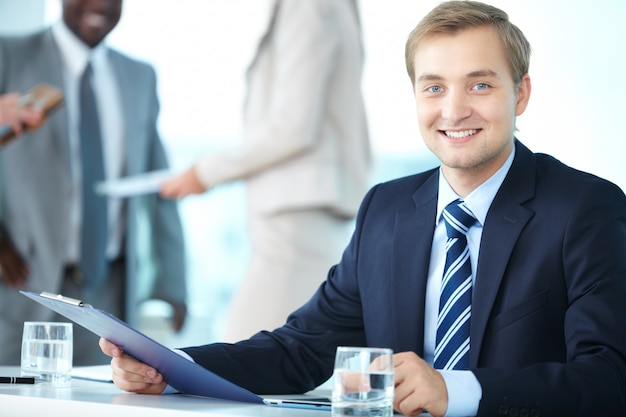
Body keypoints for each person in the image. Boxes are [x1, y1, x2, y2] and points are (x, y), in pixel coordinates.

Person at [100, 1, 626, 416]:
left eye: (481, 85)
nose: (454, 109)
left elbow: (608, 377)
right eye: (434, 87)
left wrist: (454, 390)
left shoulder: (586, 208)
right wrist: (171, 365)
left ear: (522, 94)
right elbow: (300, 351)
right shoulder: (388, 209)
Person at [160, 0, 370, 342]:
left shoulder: (309, 6)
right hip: (305, 205)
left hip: (295, 211)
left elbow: (293, 126)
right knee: (284, 359)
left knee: (240, 357)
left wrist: (206, 172)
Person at [0, 0, 187, 365]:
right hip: (17, 287)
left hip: (106, 300)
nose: (101, 3)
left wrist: (172, 282)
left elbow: (160, 183)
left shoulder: (140, 76)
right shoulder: (9, 54)